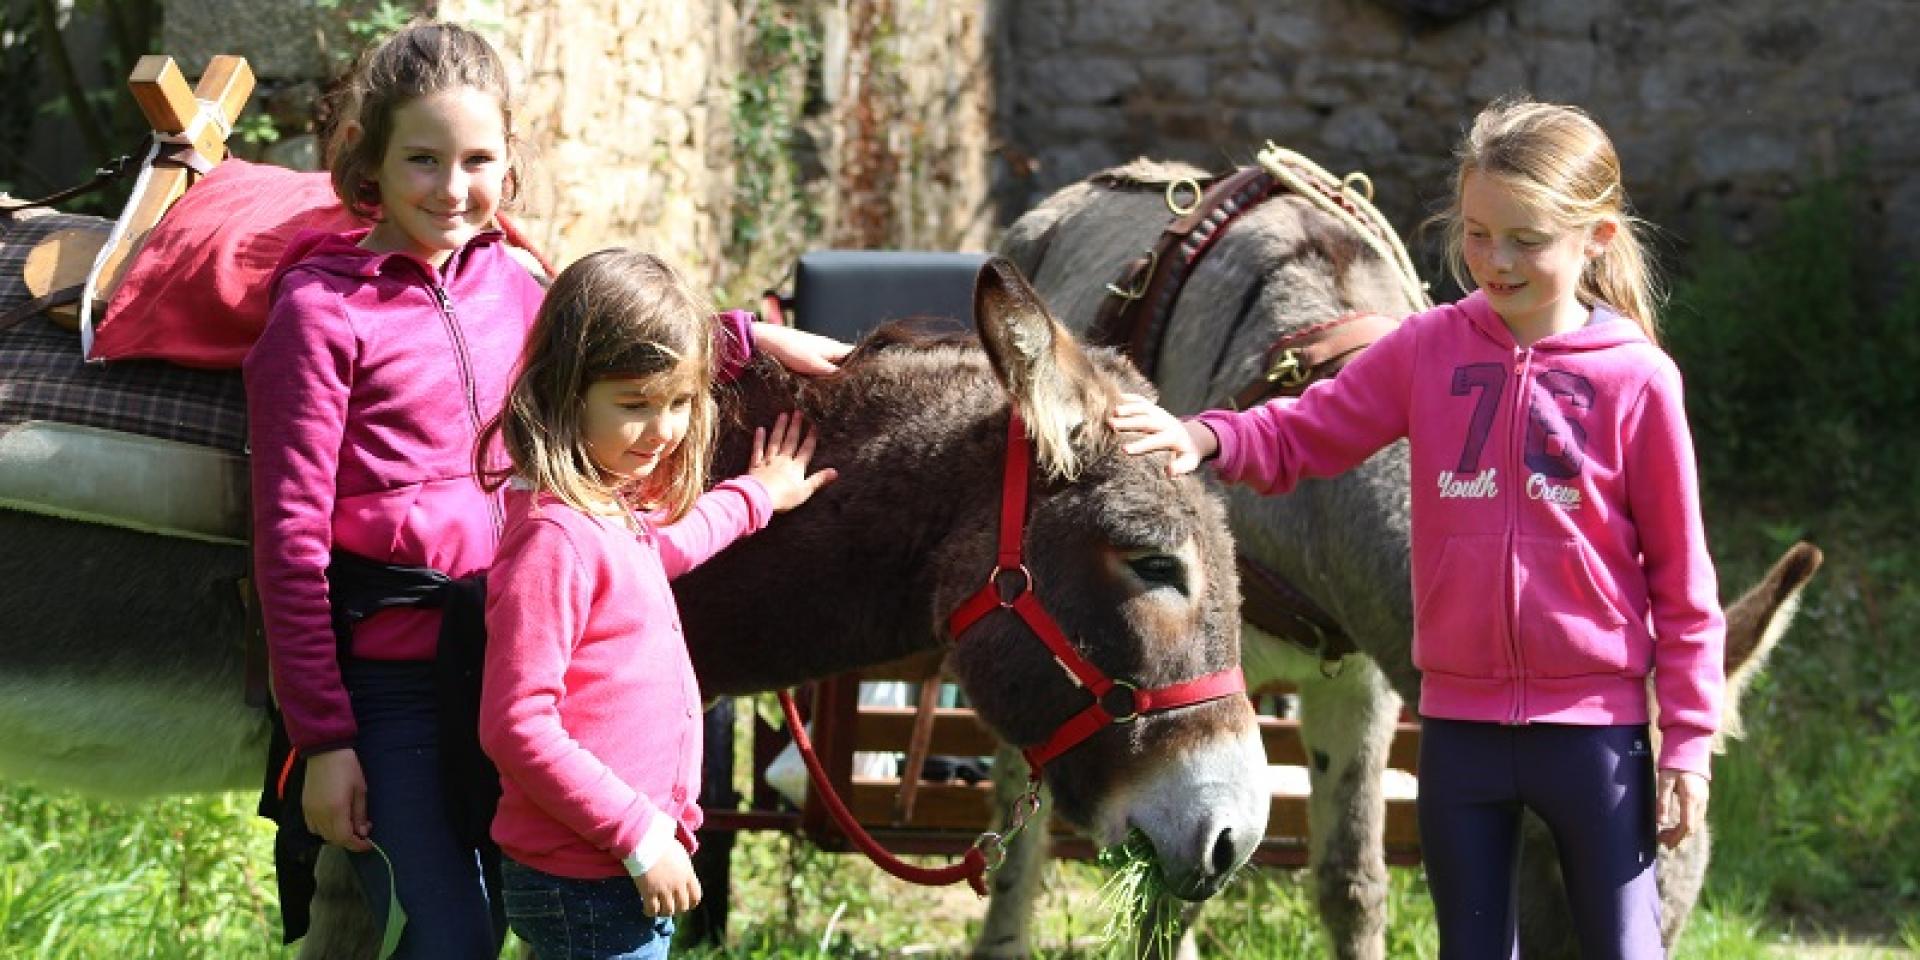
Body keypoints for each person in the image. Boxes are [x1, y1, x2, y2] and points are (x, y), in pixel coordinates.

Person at [245, 21, 849, 957]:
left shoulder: (516, 285)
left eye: (478, 159)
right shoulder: (321, 315)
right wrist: (322, 741)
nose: (453, 189)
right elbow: (289, 543)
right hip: (394, 684)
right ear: (370, 156)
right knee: (446, 936)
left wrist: (746, 339)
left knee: (506, 915)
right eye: (423, 158)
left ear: (509, 160)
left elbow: (610, 347)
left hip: (513, 658)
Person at [1113, 97, 1724, 959]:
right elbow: (1302, 430)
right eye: (1477, 233)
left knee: (1626, 950)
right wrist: (1203, 435)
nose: (1495, 261)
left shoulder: (1639, 383)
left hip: (1598, 740)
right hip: (1460, 732)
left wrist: (1689, 744)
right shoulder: (1427, 347)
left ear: (1597, 237)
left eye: (1526, 239)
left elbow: (1684, 586)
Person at [475, 249, 835, 959]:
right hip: (589, 877)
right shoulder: (557, 537)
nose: (664, 430)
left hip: (610, 869)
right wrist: (638, 837)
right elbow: (516, 725)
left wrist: (759, 494)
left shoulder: (608, 516)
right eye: (635, 405)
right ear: (563, 395)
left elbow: (669, 548)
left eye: (679, 403)